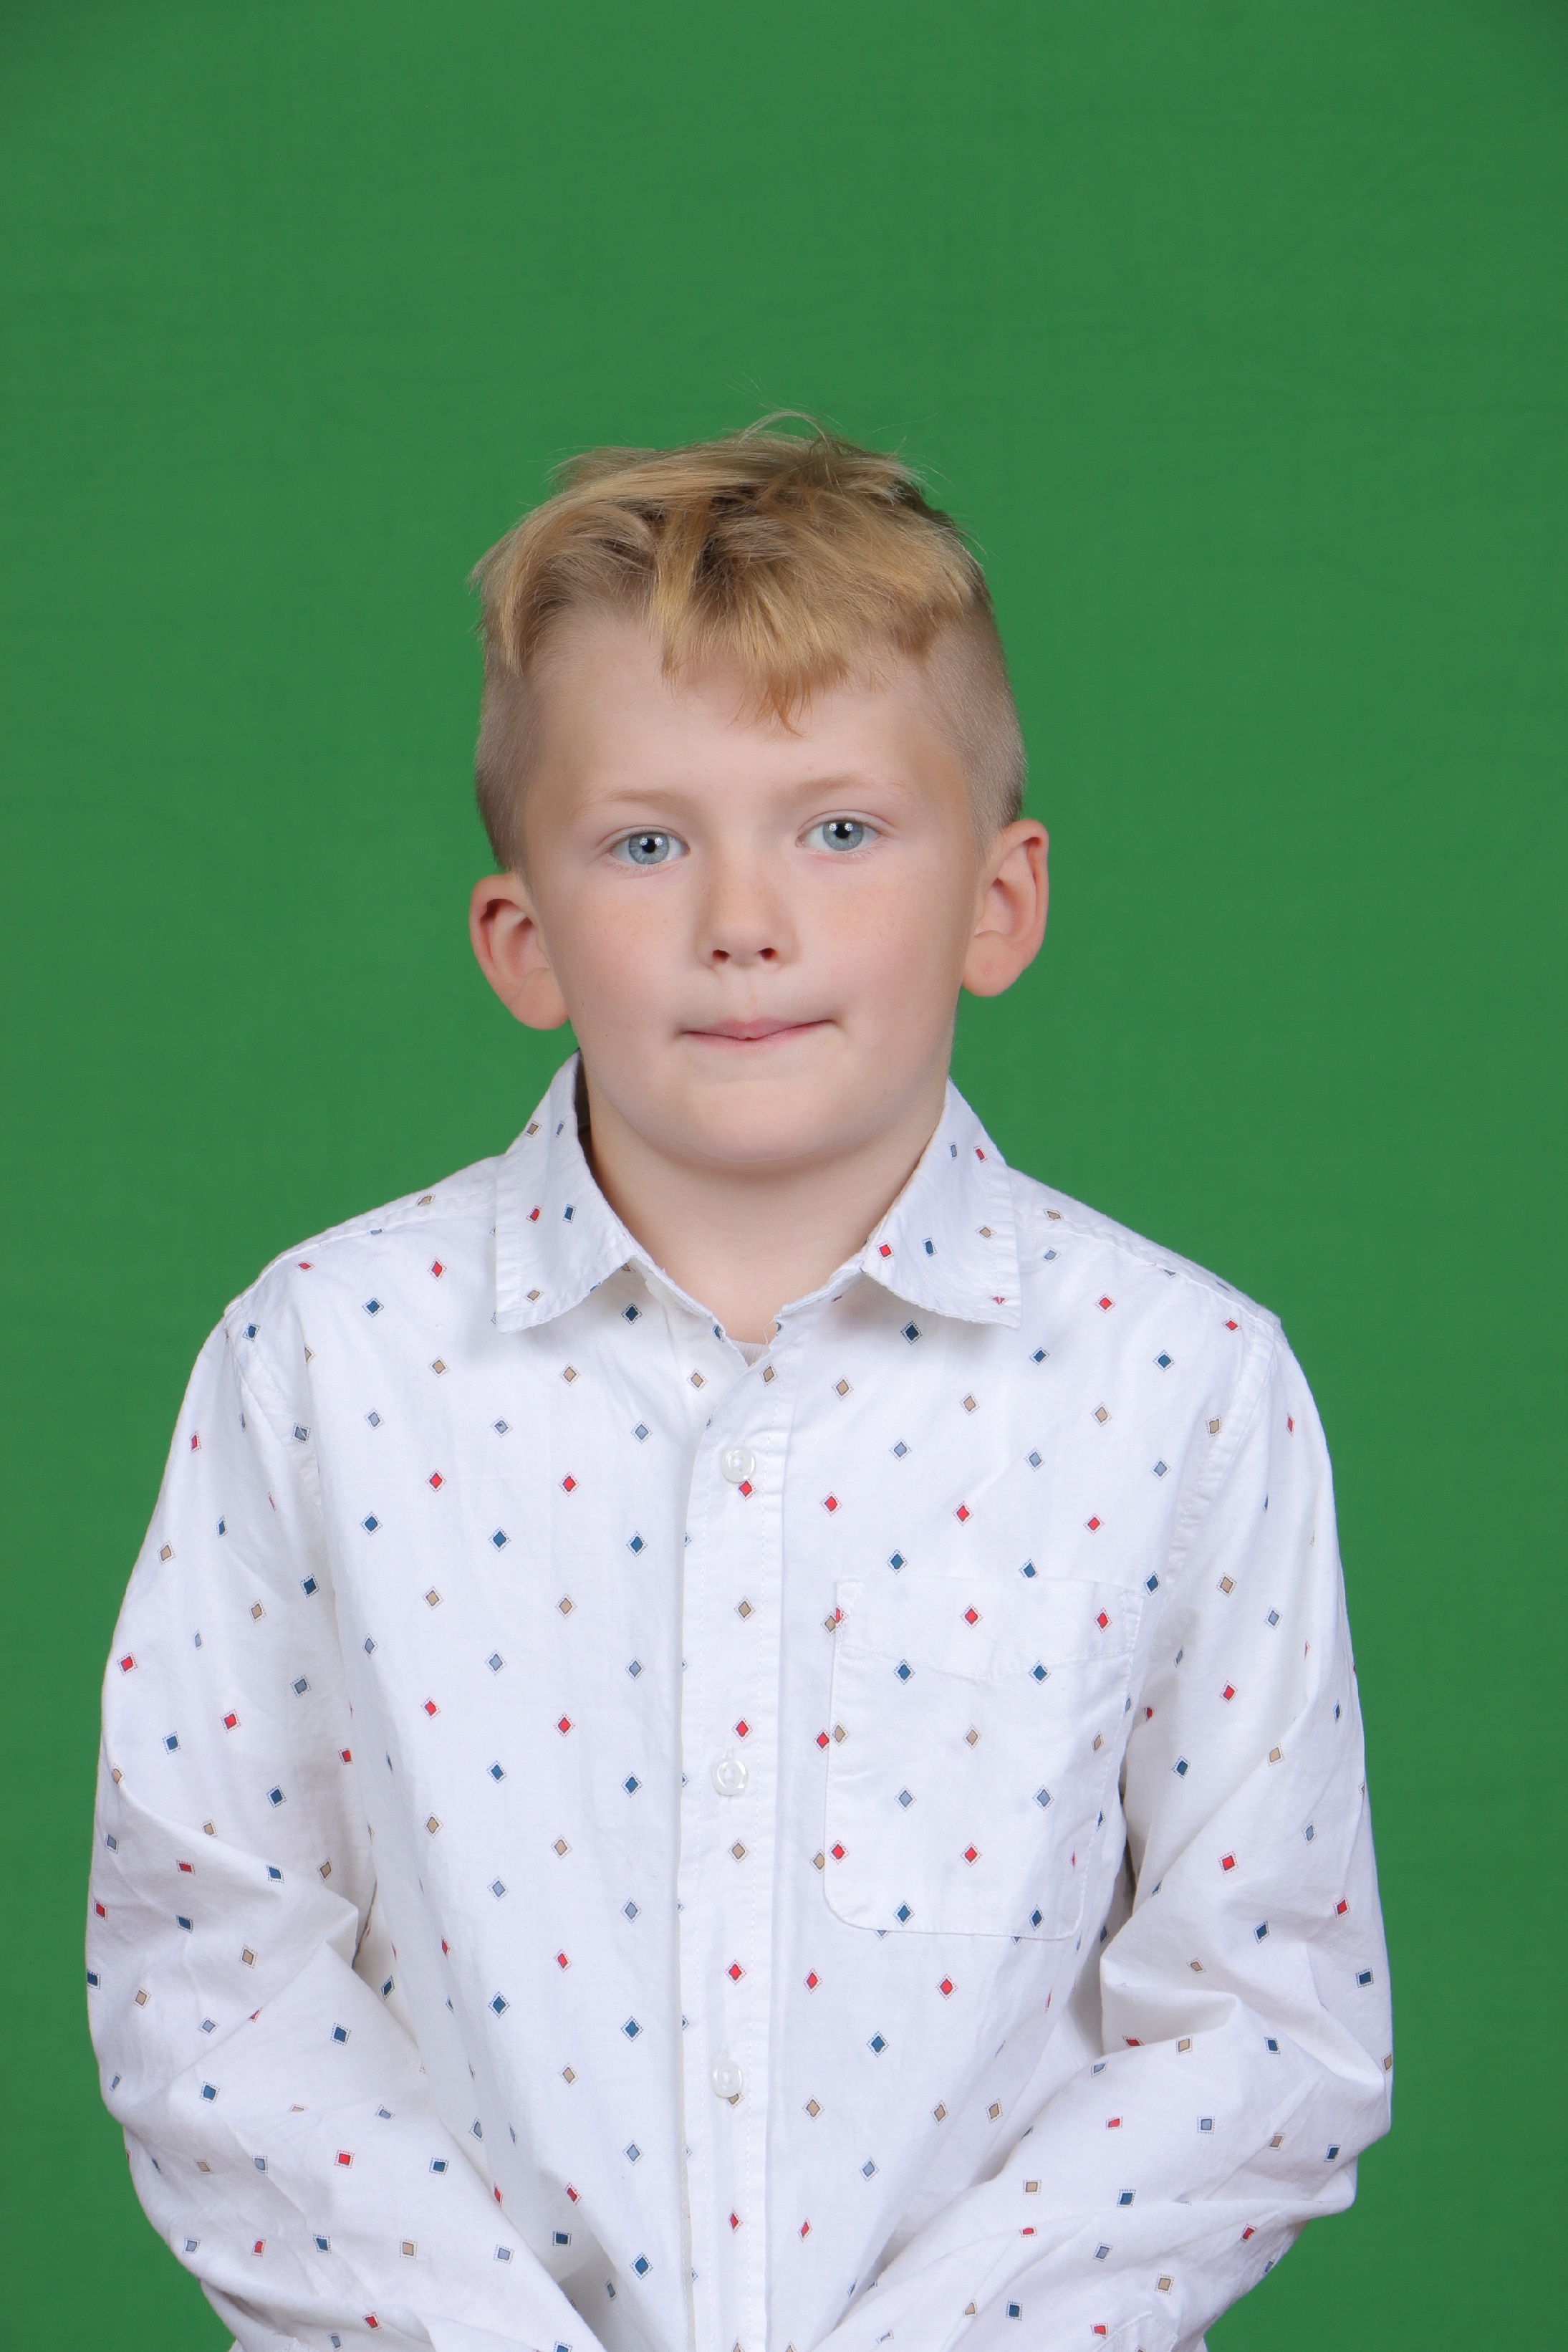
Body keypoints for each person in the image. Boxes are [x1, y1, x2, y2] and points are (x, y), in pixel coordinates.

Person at [87, 423, 1391, 2352]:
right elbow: (211, 1971)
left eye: (840, 829)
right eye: (646, 841)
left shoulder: (1181, 1386)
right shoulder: (323, 1364)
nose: (743, 916)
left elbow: (1266, 2022)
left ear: (1001, 900)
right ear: (520, 937)